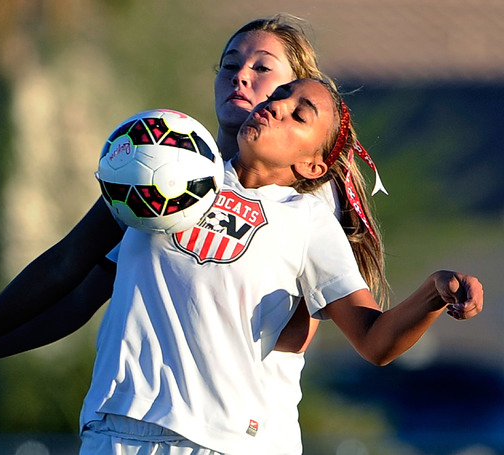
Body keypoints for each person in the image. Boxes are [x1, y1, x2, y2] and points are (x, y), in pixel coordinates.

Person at [76, 78, 483, 454]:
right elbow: (75, 273)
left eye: (299, 113)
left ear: (312, 166)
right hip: (116, 426)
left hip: (221, 441)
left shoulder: (306, 218)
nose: (276, 106)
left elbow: (375, 341)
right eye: (277, 96)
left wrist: (434, 290)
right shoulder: (171, 173)